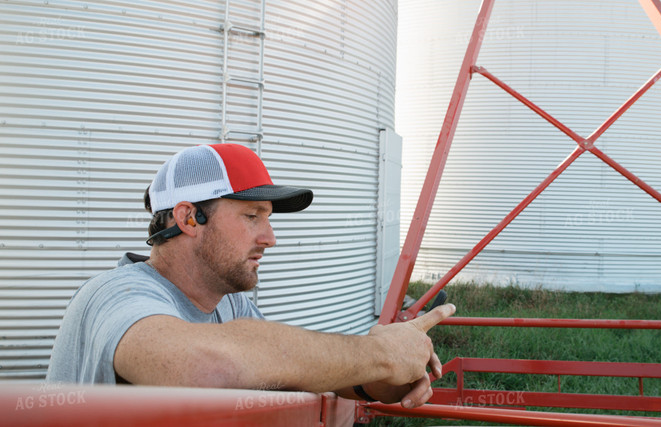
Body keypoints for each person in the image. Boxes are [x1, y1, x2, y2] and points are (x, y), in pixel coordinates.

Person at [47, 143, 455, 408]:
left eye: (269, 219)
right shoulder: (116, 295)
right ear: (189, 218)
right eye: (251, 216)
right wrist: (378, 354)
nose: (271, 238)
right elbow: (205, 367)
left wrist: (384, 380)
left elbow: (282, 373)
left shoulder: (229, 303)